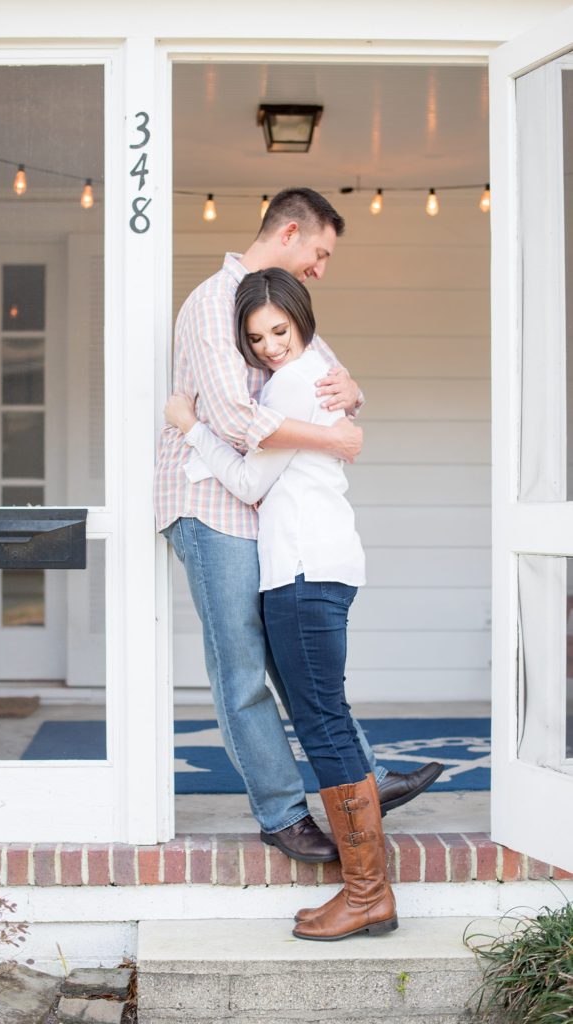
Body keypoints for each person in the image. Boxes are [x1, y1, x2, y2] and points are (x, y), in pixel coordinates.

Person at [154, 188, 442, 864]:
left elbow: (324, 371)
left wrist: (353, 394)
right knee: (244, 670)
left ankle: (361, 780)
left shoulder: (273, 297)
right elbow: (233, 419)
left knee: (292, 659)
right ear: (289, 232)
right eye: (320, 252)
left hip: (258, 507)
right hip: (208, 501)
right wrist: (333, 440)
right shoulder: (212, 302)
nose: (321, 268)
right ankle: (282, 814)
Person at [164, 267, 398, 941]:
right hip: (321, 567)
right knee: (327, 714)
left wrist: (190, 425)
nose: (268, 346)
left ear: (301, 320)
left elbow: (243, 476)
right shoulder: (314, 368)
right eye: (255, 336)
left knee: (321, 724)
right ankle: (366, 892)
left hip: (301, 573)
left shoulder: (292, 386)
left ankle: (366, 895)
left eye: (279, 330)